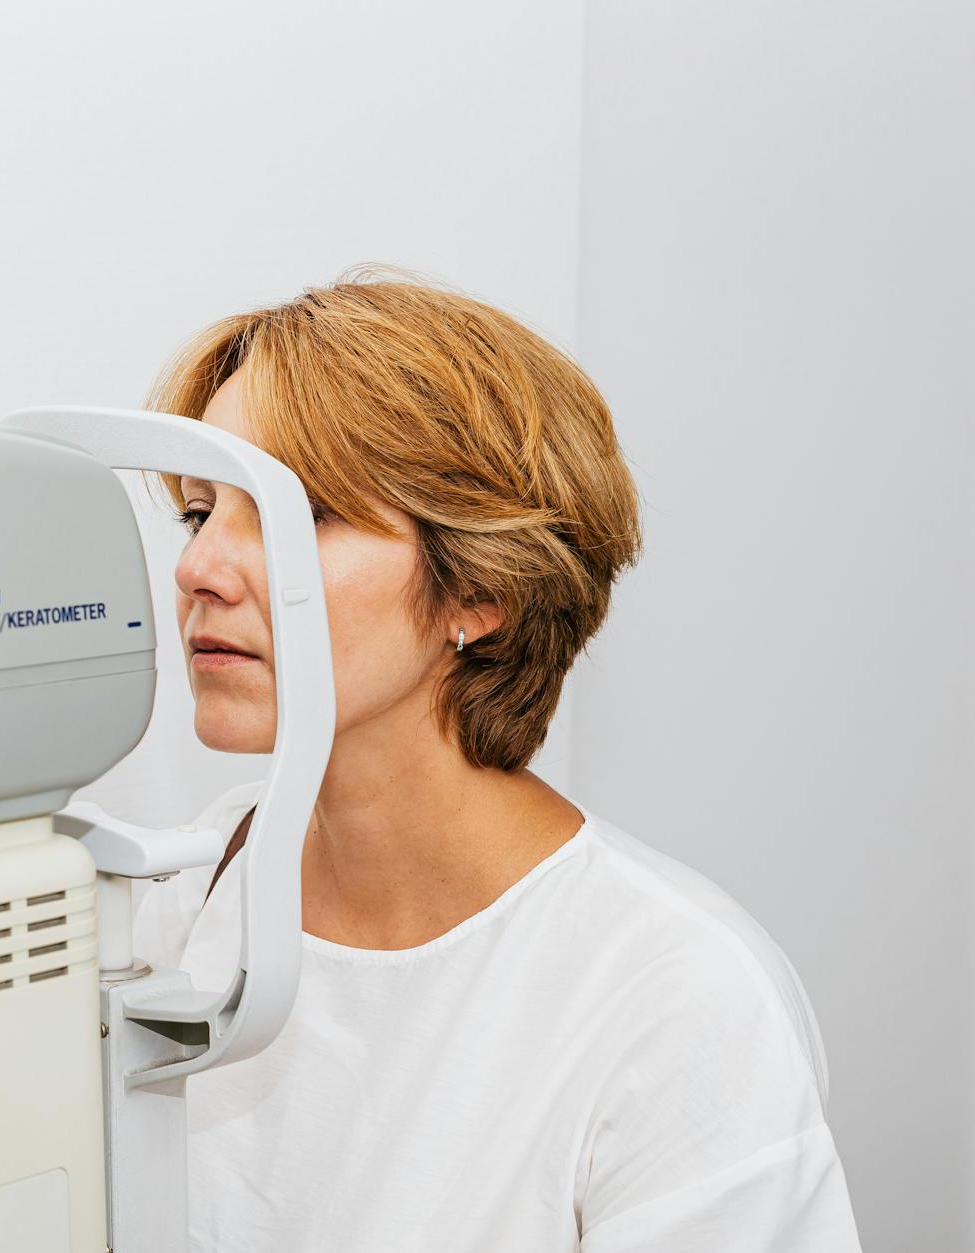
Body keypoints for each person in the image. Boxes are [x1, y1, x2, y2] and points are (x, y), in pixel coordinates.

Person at [132, 272, 862, 1251]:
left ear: (480, 589)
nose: (197, 568)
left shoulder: (673, 998)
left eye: (301, 510)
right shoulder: (182, 898)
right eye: (198, 512)